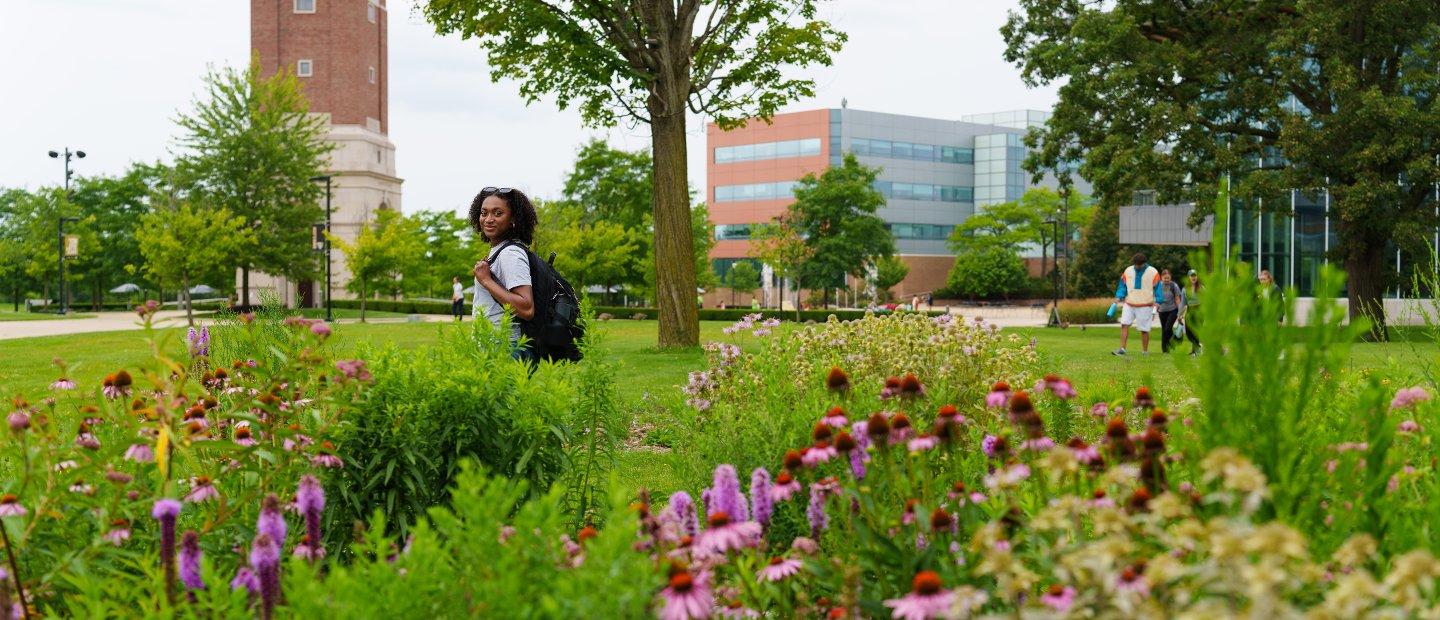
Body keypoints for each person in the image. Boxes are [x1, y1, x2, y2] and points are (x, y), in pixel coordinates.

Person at [469, 186, 537, 362]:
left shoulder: (510, 253)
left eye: (498, 213)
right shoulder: (501, 250)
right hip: (495, 344)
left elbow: (526, 308)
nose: (488, 219)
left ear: (513, 219)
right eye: (484, 213)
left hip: (504, 346)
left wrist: (486, 281)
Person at [1113, 252, 1164, 356]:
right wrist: (1119, 296)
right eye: (1136, 264)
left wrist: (1158, 301)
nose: (1137, 266)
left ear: (1144, 263)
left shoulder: (1153, 272)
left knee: (1144, 329)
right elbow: (1122, 285)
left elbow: (1158, 288)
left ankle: (1145, 351)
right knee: (1124, 324)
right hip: (1129, 303)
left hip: (1145, 305)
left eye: (1139, 264)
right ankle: (1122, 349)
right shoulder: (1128, 271)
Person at [1157, 269, 1186, 353]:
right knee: (1164, 330)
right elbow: (1155, 296)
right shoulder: (1158, 286)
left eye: (1168, 278)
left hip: (1172, 310)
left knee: (1167, 328)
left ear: (1170, 277)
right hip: (1162, 311)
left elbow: (1177, 299)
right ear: (1161, 277)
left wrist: (1180, 312)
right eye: (1165, 278)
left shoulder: (1174, 286)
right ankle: (1165, 350)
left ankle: (1176, 340)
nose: (1166, 280)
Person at [1180, 269, 1203, 355]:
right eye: (1191, 276)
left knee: (1195, 331)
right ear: (1188, 277)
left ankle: (1196, 350)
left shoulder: (1201, 288)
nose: (1193, 277)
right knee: (1188, 331)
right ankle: (1197, 348)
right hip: (1190, 310)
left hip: (1199, 310)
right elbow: (1183, 303)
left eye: (1195, 275)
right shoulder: (1185, 289)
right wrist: (1179, 315)